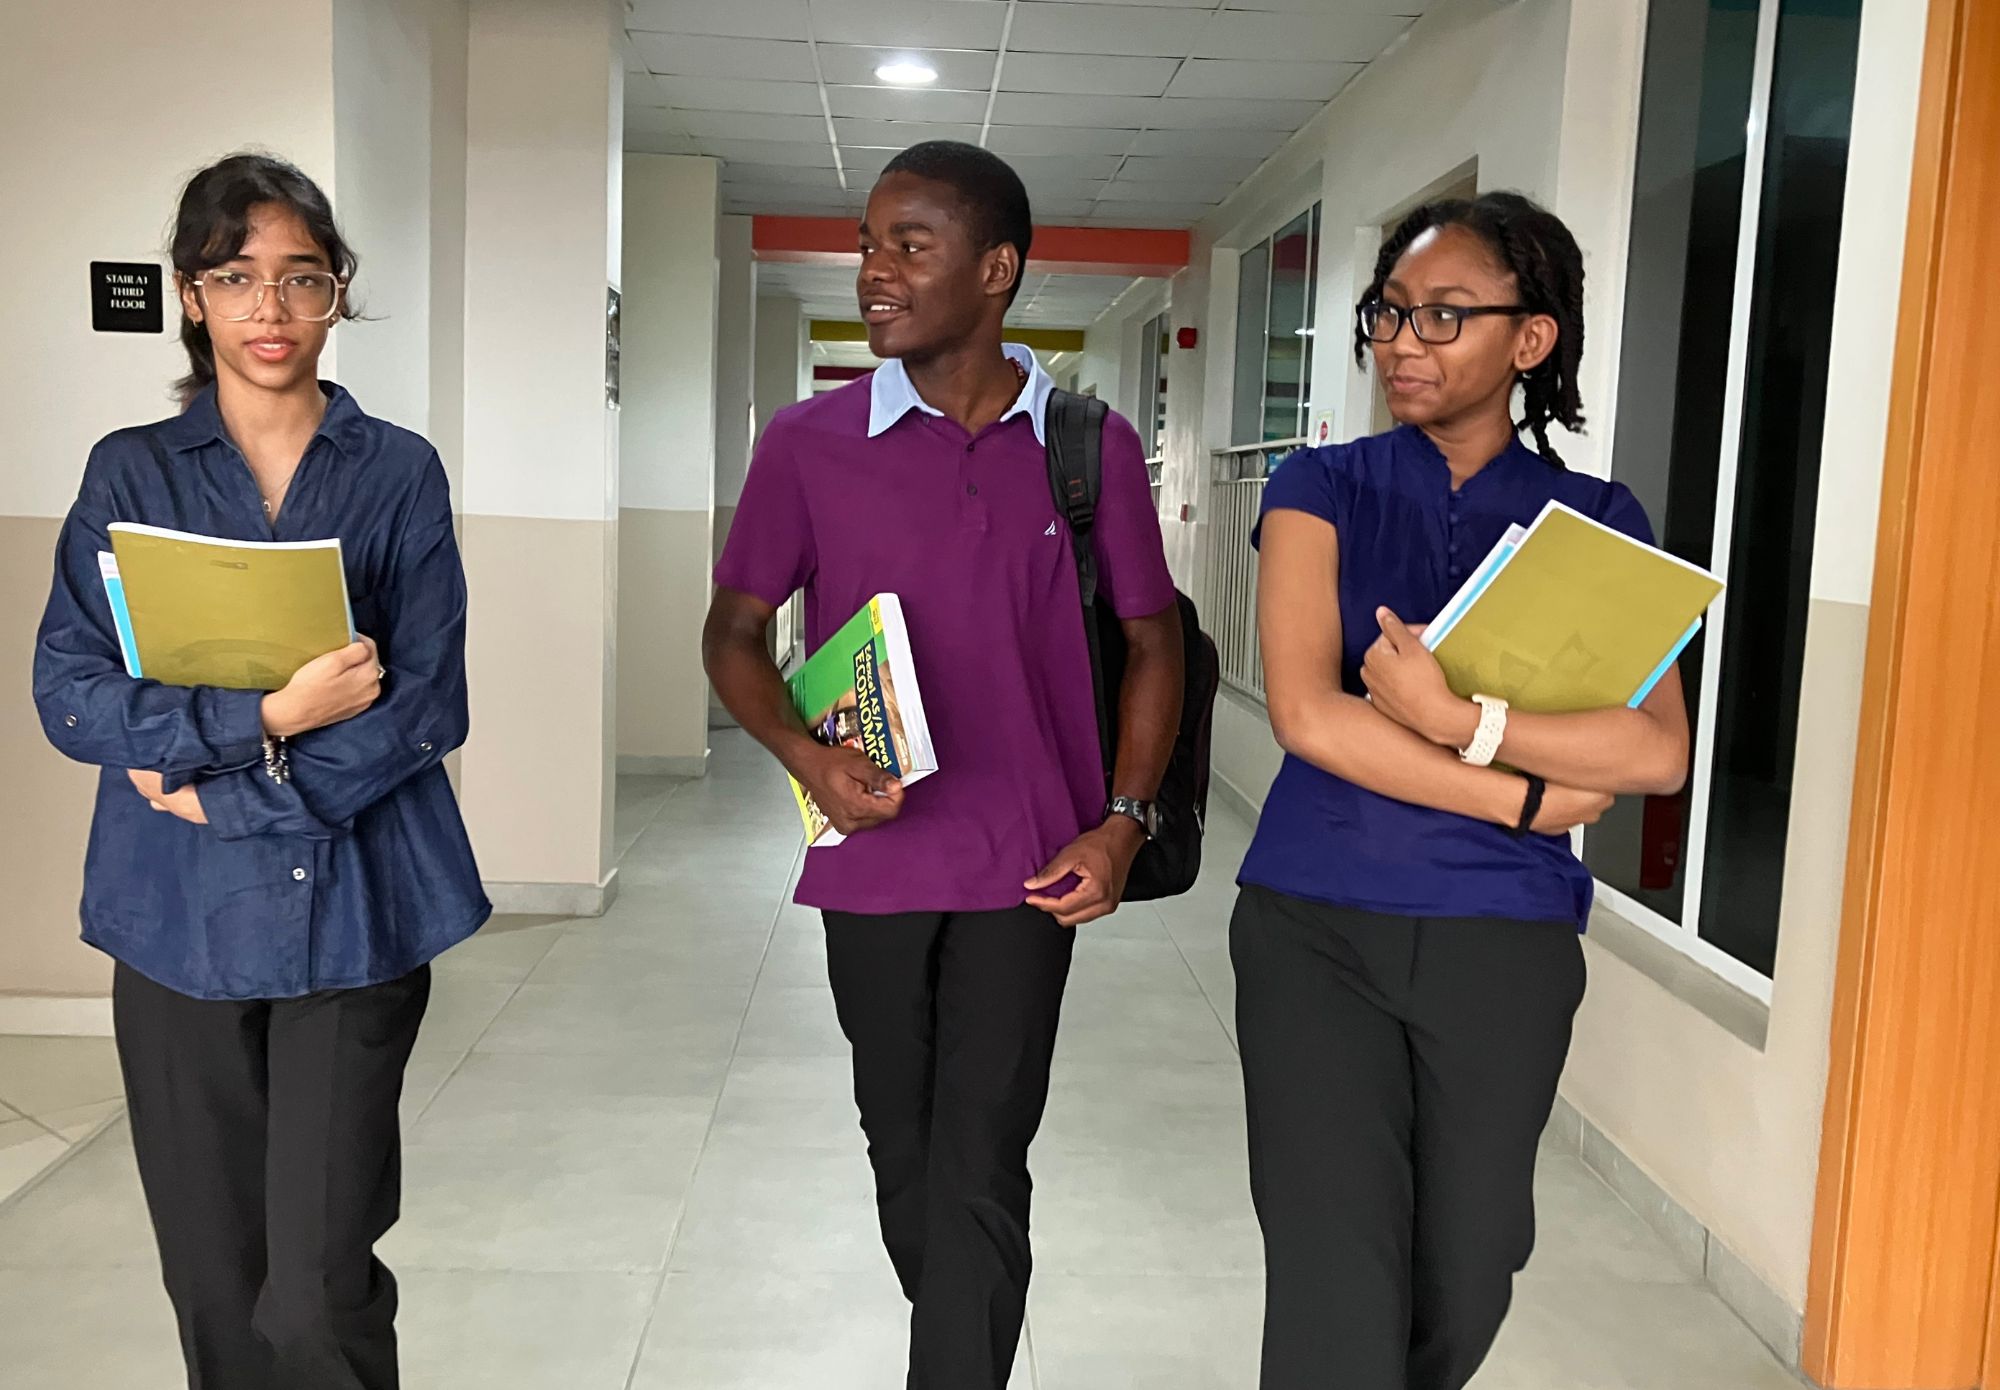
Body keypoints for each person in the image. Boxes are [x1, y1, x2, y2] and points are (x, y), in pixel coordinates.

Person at [702, 140, 1184, 1390]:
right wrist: (803, 754)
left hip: (1032, 864)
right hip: (871, 852)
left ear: (996, 269)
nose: (873, 271)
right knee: (903, 1148)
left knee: (981, 1157)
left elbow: (1152, 642)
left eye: (908, 246)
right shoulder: (809, 442)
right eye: (868, 245)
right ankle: (960, 1334)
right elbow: (733, 632)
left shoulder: (1085, 446)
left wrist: (1122, 822)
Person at [32, 152, 485, 1390]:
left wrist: (225, 779)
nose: (269, 309)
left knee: (318, 1293)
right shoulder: (132, 470)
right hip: (173, 919)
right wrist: (270, 711)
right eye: (235, 277)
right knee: (216, 1287)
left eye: (301, 277)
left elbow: (426, 704)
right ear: (191, 295)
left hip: (357, 916)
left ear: (337, 291)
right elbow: (71, 690)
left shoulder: (396, 470)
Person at [1233, 191, 1692, 1390]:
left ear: (1528, 339)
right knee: (1334, 1263)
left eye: (1443, 316)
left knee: (1472, 1261)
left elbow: (1653, 752)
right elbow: (1308, 714)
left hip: (1504, 937)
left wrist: (1455, 720)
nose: (1401, 341)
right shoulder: (1316, 486)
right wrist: (1524, 794)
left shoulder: (1594, 520)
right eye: (1388, 312)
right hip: (1314, 921)